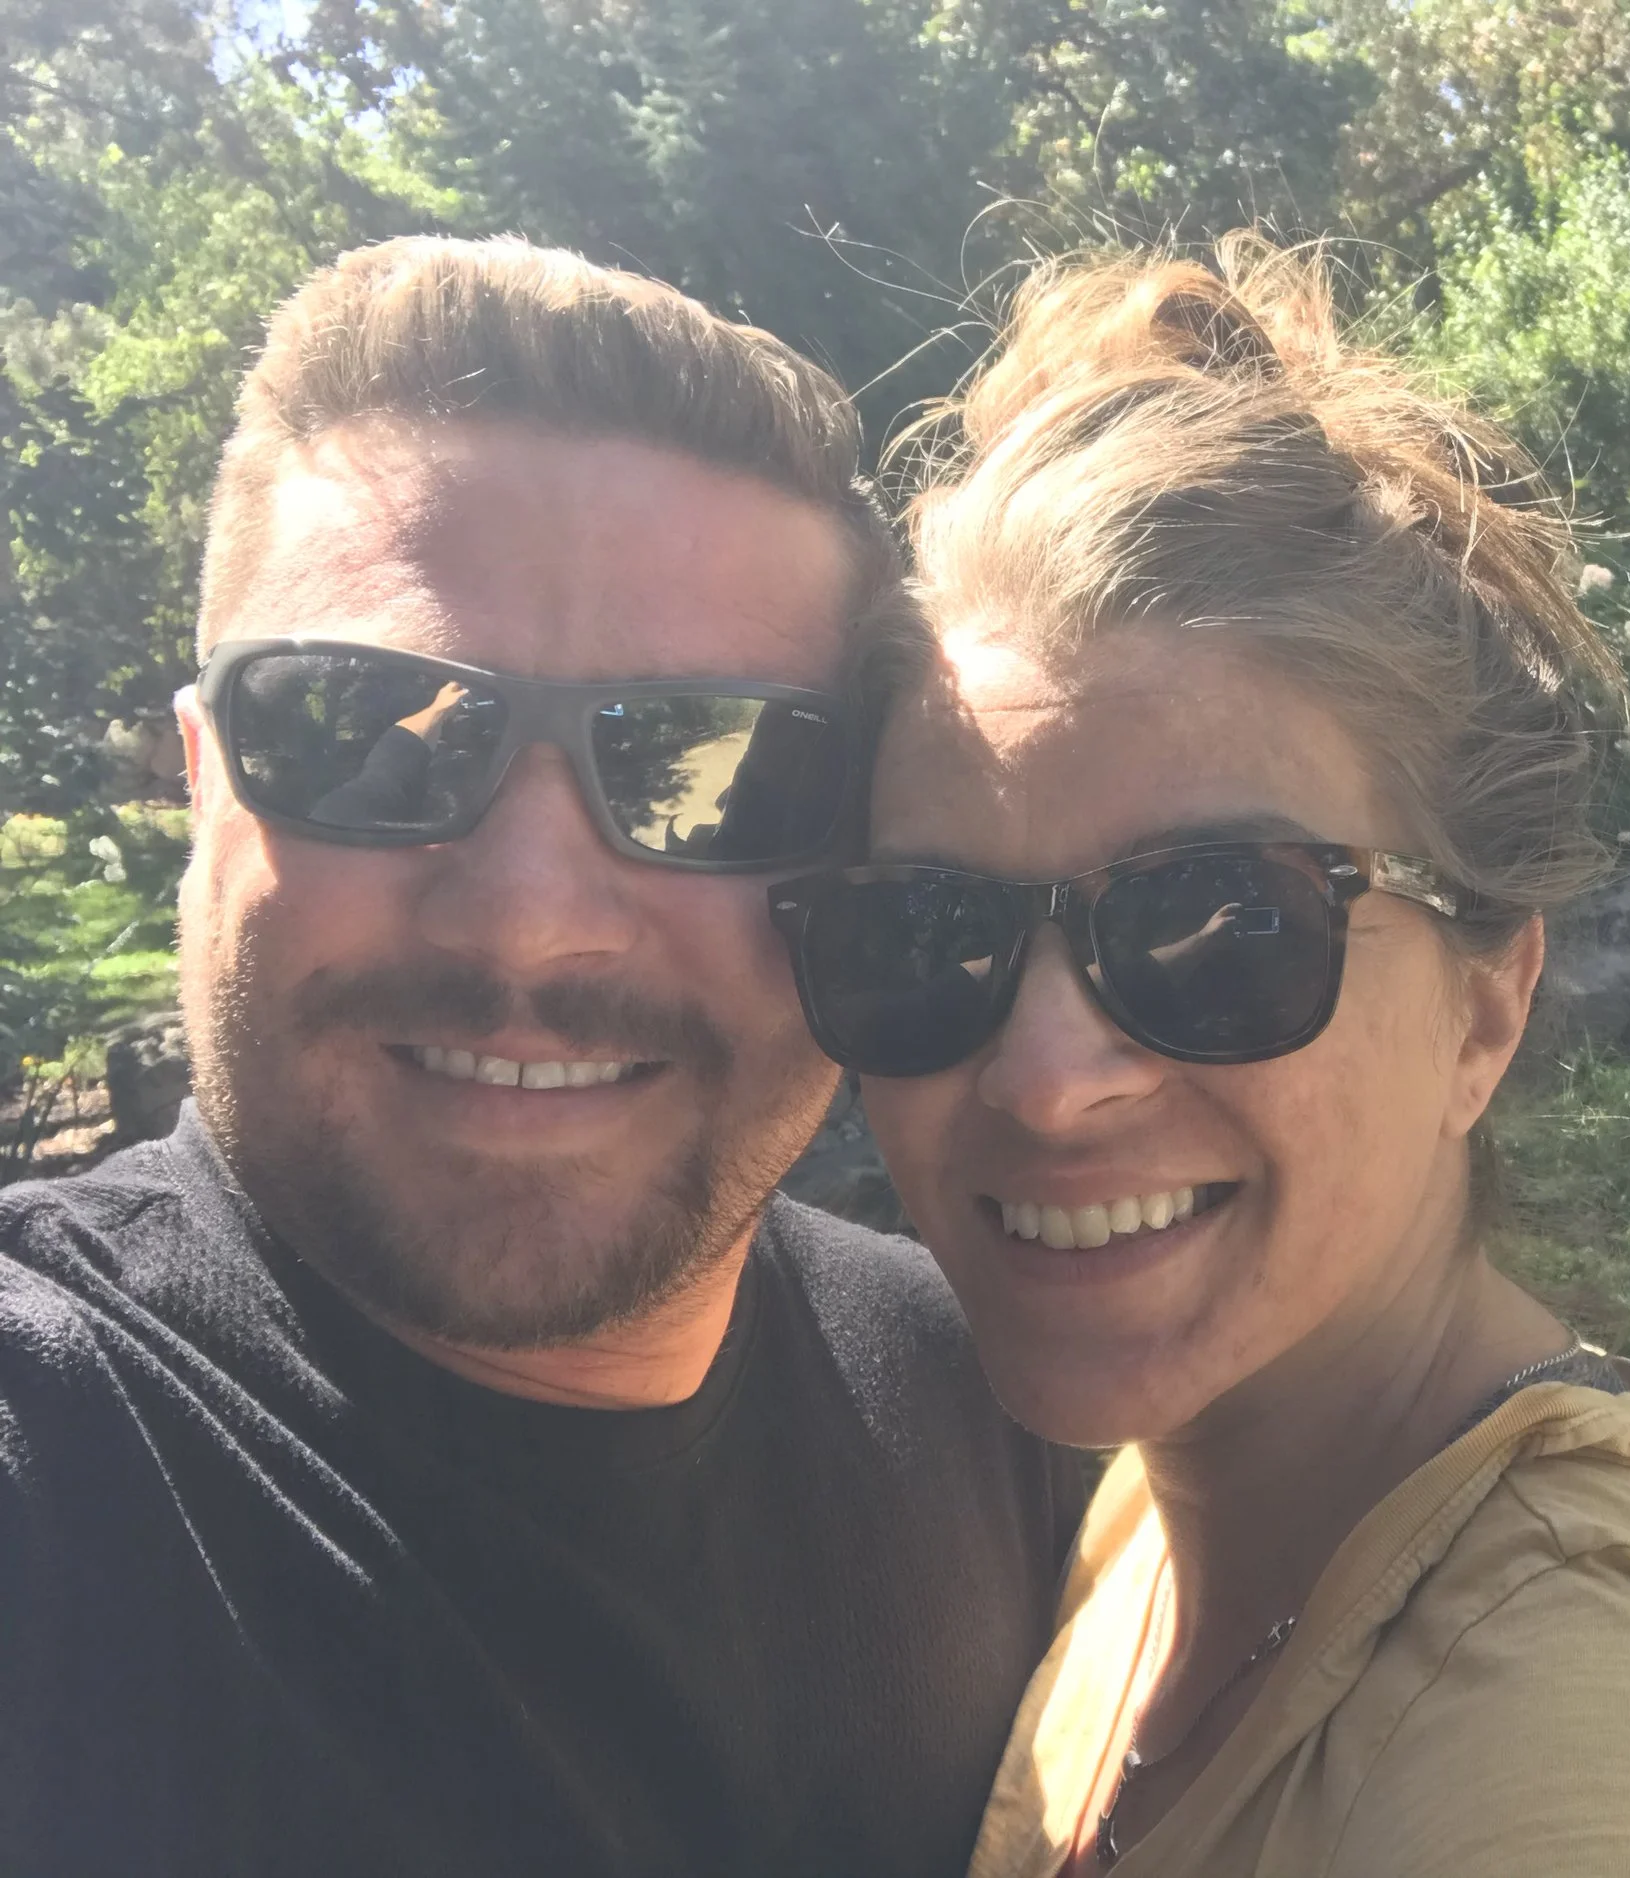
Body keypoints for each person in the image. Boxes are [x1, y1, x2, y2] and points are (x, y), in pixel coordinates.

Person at [768, 237, 1630, 1876]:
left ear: (1484, 1007)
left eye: (1221, 924)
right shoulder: (1167, 1510)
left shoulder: (1587, 1744)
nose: (1044, 1077)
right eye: (926, 933)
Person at [0, 237, 1082, 1877]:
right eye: (364, 734)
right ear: (203, 775)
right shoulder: (54, 1457)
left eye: (715, 772)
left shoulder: (998, 1398)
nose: (529, 921)